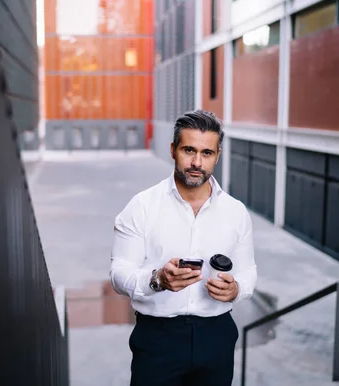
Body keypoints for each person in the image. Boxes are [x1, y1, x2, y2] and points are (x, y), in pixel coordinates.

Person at [109, 109, 257, 386]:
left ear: (217, 155)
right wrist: (157, 280)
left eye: (207, 153)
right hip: (157, 339)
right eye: (189, 150)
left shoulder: (236, 212)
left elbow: (249, 272)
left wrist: (236, 289)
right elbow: (118, 273)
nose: (197, 162)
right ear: (173, 150)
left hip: (217, 336)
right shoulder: (142, 206)